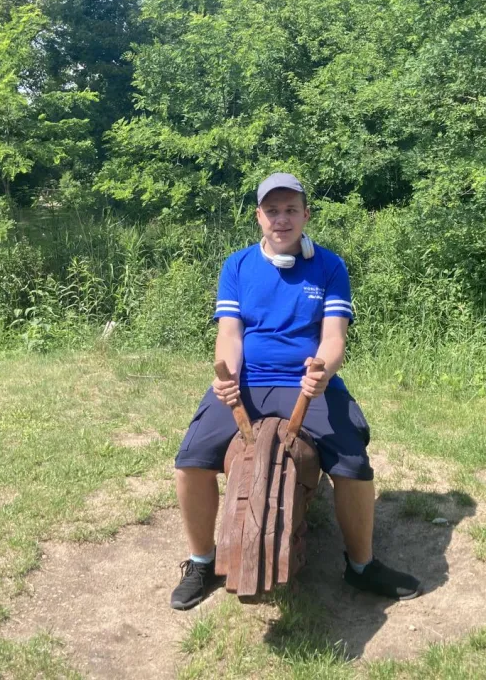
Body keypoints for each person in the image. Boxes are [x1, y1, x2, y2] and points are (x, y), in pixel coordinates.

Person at [170, 172, 420, 610]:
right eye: (272, 211)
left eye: (290, 210)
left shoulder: (329, 266)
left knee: (353, 465)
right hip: (249, 380)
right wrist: (228, 375)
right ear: (258, 217)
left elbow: (334, 337)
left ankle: (361, 565)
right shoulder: (237, 266)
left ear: (306, 215)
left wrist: (323, 372)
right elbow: (230, 333)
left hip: (307, 384)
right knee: (190, 461)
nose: (281, 219)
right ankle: (202, 561)